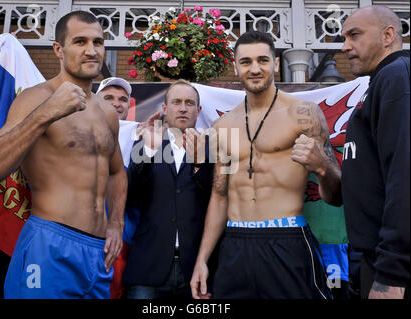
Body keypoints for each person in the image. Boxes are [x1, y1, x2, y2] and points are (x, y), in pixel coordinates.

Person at [0, 11, 127, 299]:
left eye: (98, 42)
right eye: (80, 41)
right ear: (59, 49)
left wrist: (116, 223)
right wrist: (45, 114)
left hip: (97, 253)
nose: (91, 51)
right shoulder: (35, 97)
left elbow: (117, 171)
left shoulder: (107, 111)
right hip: (50, 244)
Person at [190, 31, 342, 299]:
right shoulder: (223, 125)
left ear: (275, 63)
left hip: (287, 238)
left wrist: (322, 168)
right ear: (236, 67)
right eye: (246, 62)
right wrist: (202, 259)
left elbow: (336, 197)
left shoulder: (303, 114)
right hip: (235, 243)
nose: (255, 68)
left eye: (262, 60)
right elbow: (220, 195)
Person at [340, 5, 410, 299]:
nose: (345, 47)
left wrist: (392, 274)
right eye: (344, 38)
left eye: (354, 35)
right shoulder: (381, 81)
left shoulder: (397, 77)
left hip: (395, 271)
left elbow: (404, 175)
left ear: (388, 35)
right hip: (375, 259)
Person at [123, 79, 215, 299]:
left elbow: (220, 200)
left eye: (189, 103)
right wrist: (148, 150)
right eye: (176, 102)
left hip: (197, 270)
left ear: (198, 110)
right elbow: (130, 194)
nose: (183, 108)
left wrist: (200, 164)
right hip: (148, 267)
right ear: (164, 108)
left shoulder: (214, 146)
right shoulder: (144, 143)